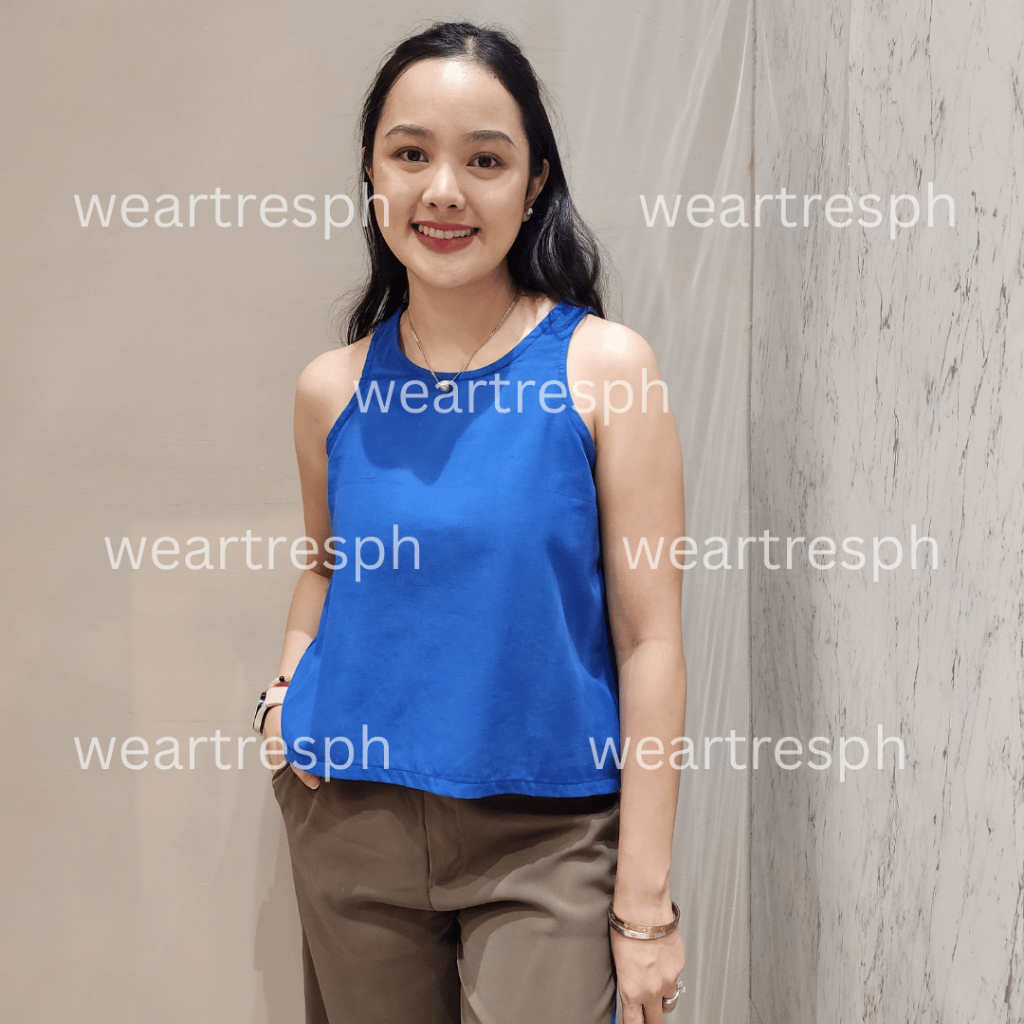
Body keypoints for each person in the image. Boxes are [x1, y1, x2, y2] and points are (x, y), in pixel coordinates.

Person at [252, 20, 687, 1024]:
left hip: (548, 836)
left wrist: (645, 907)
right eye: (410, 154)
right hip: (351, 824)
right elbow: (325, 567)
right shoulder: (330, 388)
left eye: (484, 160)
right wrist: (283, 697)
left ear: (533, 184)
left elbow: (650, 640)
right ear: (372, 175)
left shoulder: (606, 370)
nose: (443, 190)